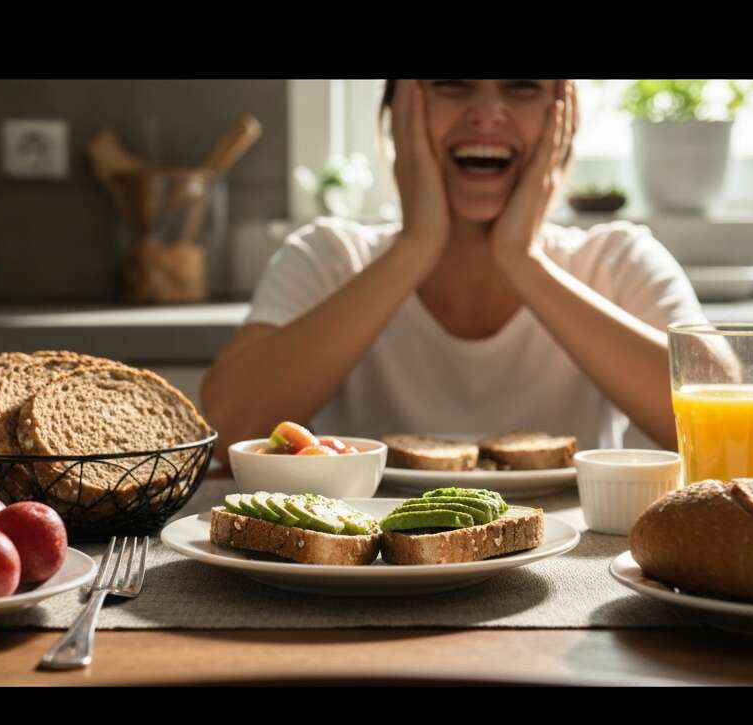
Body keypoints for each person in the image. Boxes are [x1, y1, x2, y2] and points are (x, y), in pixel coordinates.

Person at [202, 80, 705, 461]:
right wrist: (415, 248)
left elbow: (723, 415)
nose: (486, 114)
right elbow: (226, 427)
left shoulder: (617, 260)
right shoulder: (329, 255)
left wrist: (523, 261)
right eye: (452, 83)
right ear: (397, 111)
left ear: (564, 118)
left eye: (521, 85)